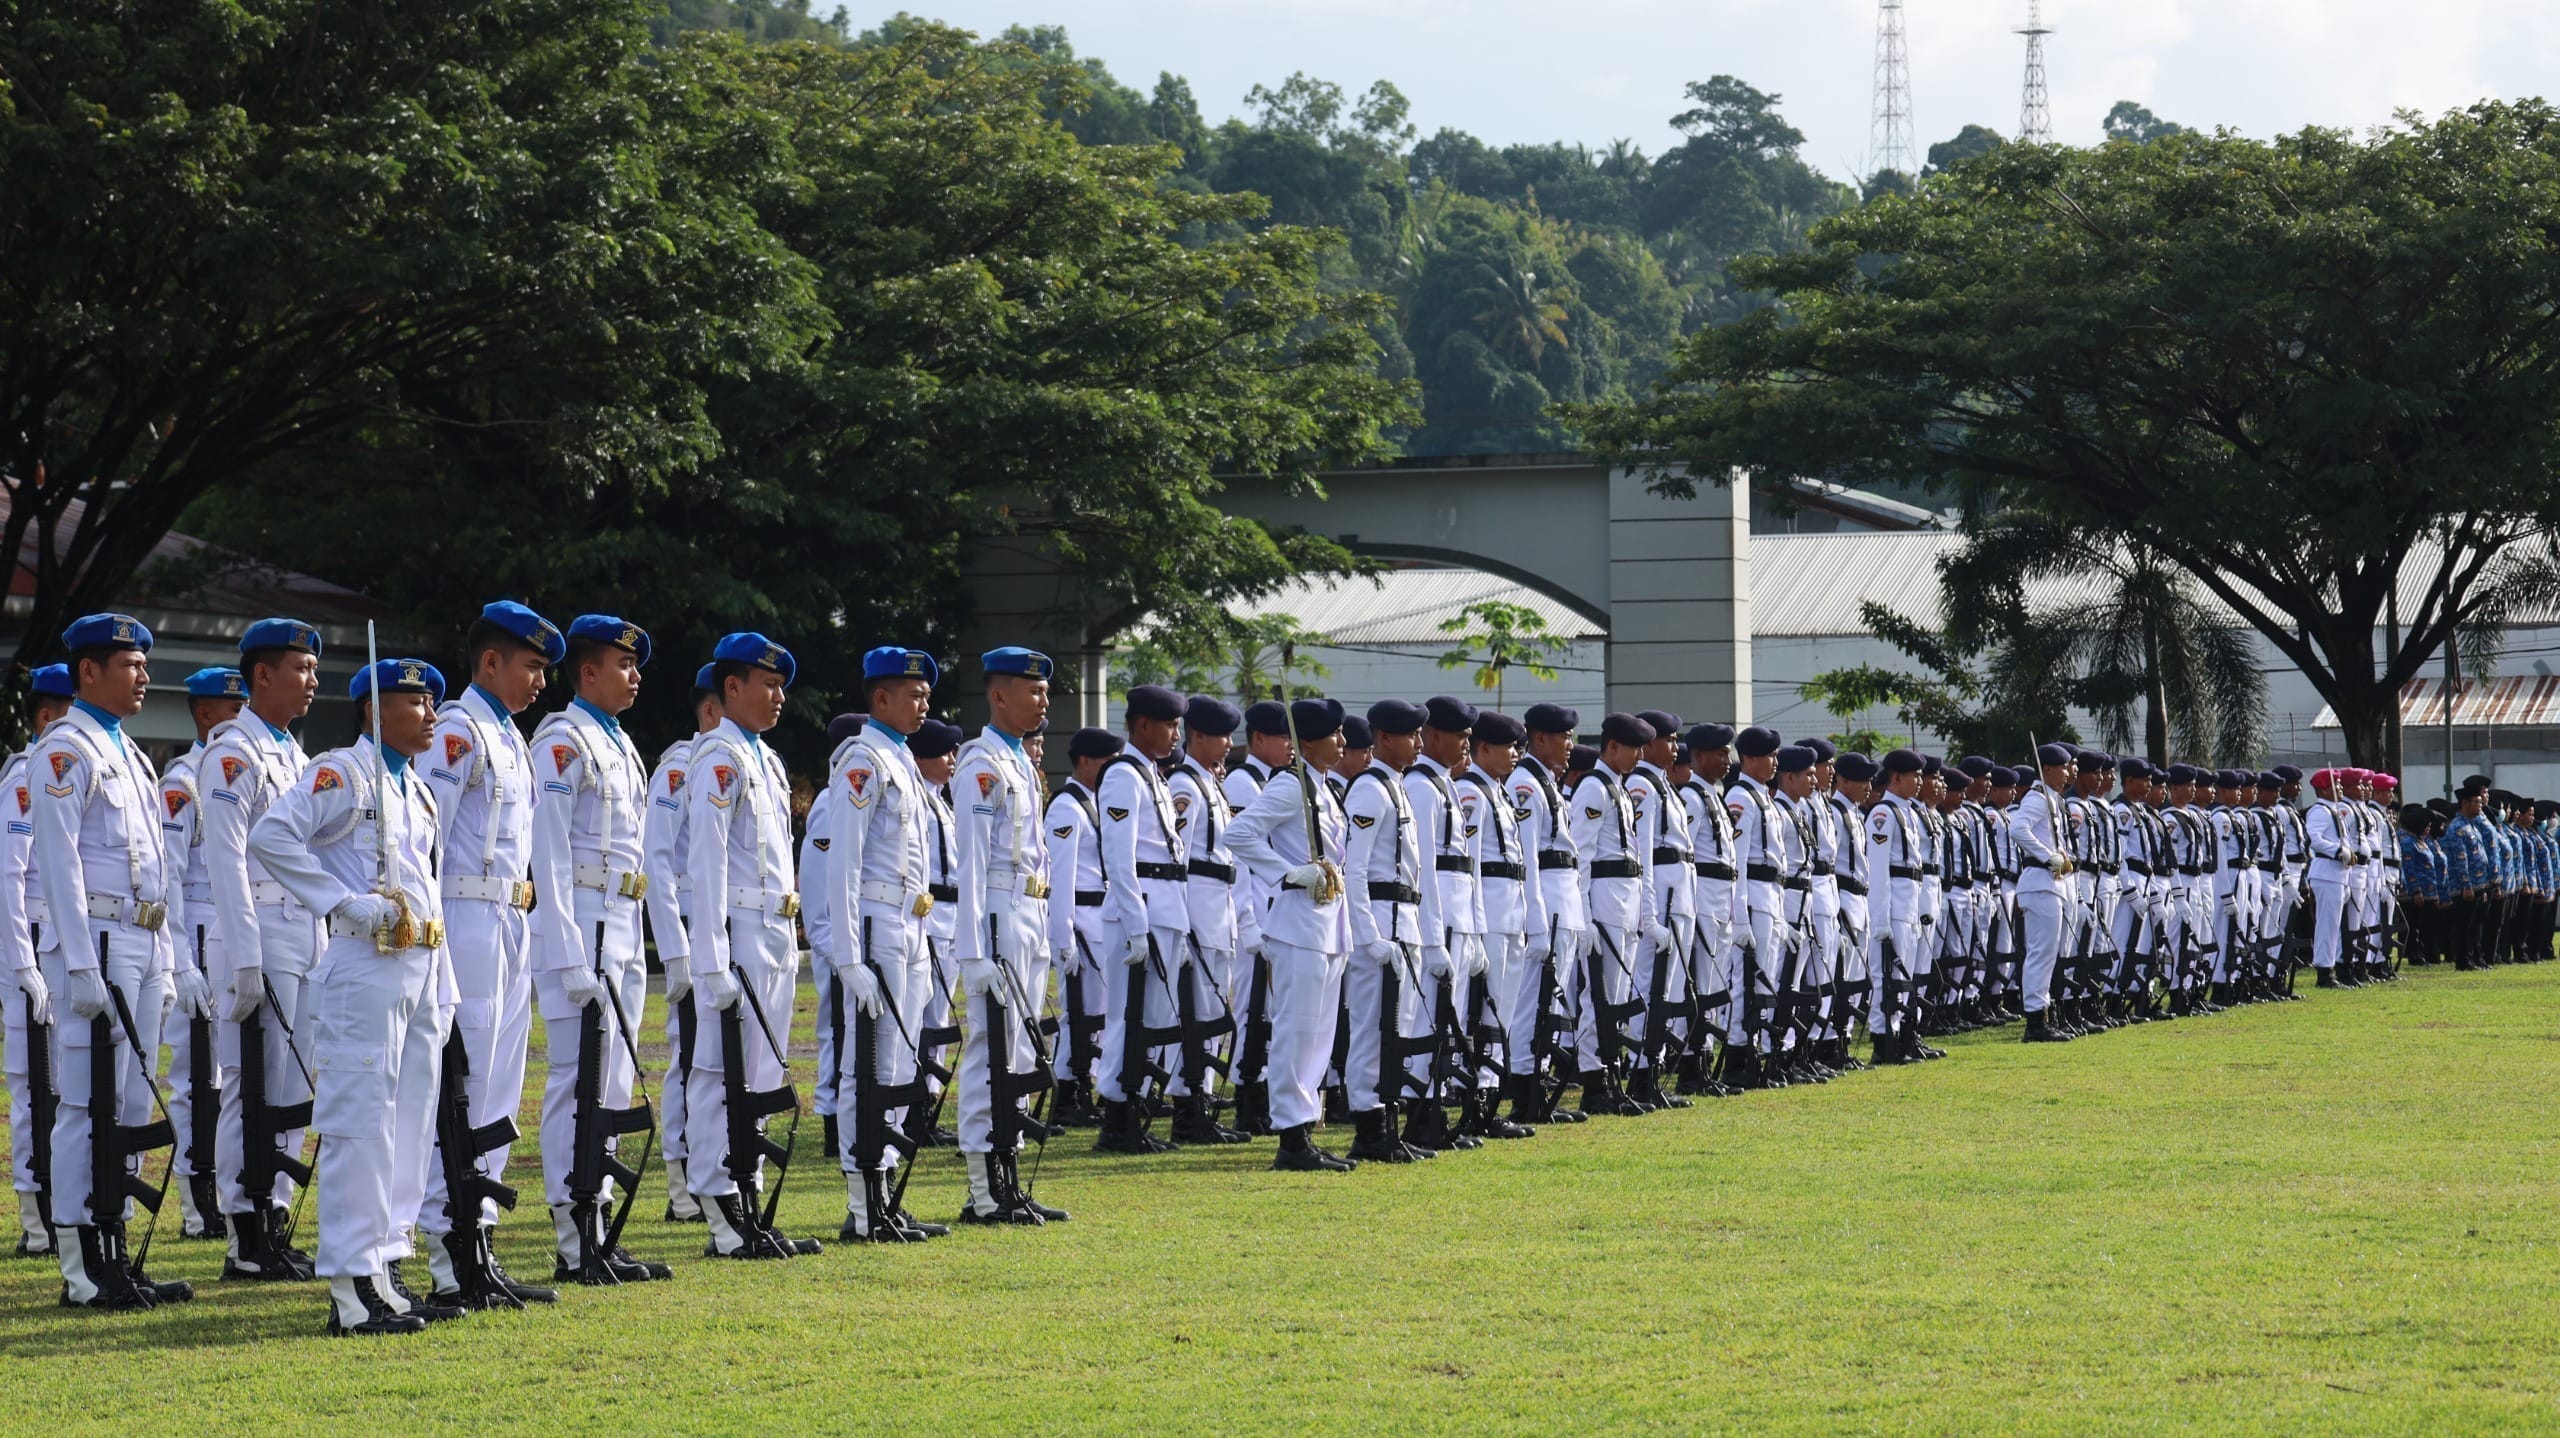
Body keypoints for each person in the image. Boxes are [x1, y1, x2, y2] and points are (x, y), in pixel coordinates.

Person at [250, 657, 453, 1335]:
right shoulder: (343, 772)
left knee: (405, 1127)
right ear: (374, 709)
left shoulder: (417, 790)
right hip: (364, 965)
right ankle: (348, 1282)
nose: (430, 714)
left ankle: (384, 1265)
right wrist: (340, 902)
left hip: (417, 967)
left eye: (432, 703)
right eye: (417, 701)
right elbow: (272, 836)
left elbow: (430, 889)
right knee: (358, 1125)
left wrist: (444, 986)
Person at [31, 613, 192, 1311]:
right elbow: (59, 867)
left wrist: (176, 951)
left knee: (129, 1102)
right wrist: (75, 963)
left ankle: (117, 1248)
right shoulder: (65, 750)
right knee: (82, 1102)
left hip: (144, 939)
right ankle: (80, 1264)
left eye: (144, 664)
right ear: (88, 673)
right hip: (96, 939)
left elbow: (163, 865)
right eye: (130, 665)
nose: (143, 676)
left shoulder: (131, 753)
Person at [418, 601, 561, 1276]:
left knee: (500, 1087)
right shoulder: (457, 732)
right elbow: (425, 843)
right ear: (491, 661)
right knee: (460, 1084)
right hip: (465, 921)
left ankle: (480, 1236)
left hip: (510, 921)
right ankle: (448, 1252)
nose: (540, 682)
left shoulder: (508, 737)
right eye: (532, 666)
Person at [527, 615, 670, 1286]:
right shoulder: (562, 740)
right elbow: (548, 853)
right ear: (588, 672)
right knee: (574, 1078)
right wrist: (565, 950)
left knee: (612, 1079)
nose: (635, 675)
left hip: (622, 919)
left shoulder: (617, 742)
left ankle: (600, 1220)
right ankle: (569, 1227)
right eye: (623, 663)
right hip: (583, 920)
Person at [194, 619, 327, 1283]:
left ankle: (273, 1220)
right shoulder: (232, 753)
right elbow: (226, 862)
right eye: (300, 668)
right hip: (258, 938)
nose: (311, 681)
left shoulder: (294, 756)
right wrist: (246, 955)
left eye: (313, 669)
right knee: (251, 1085)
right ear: (263, 675)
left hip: (300, 937)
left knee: (293, 1087)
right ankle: (243, 1232)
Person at [686, 632, 821, 1259]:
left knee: (762, 1074)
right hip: (737, 932)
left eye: (781, 686)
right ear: (731, 689)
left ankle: (751, 1196)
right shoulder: (717, 755)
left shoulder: (763, 759)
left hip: (772, 932)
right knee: (720, 1071)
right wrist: (710, 958)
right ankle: (720, 1209)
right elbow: (707, 863)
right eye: (766, 684)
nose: (778, 697)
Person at [828, 646, 948, 1243]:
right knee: (866, 1068)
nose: (924, 703)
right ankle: (861, 1199)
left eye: (926, 694)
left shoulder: (900, 759)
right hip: (876, 925)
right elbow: (844, 864)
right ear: (880, 698)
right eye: (913, 694)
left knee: (900, 1065)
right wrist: (848, 955)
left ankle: (886, 1189)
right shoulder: (863, 759)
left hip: (911, 926)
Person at [950, 648, 1070, 1224]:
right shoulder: (981, 765)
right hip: (996, 915)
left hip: (1027, 915)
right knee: (987, 1052)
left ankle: (1011, 1177)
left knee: (1019, 1051)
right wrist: (972, 950)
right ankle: (982, 1187)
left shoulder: (1020, 761)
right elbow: (970, 864)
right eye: (1032, 690)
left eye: (1045, 691)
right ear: (999, 696)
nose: (1043, 699)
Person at [1224, 697, 1356, 1172]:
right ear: (1308, 742)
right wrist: (1286, 873)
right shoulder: (1289, 787)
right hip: (1297, 924)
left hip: (1327, 923)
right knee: (1295, 1031)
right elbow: (1238, 835)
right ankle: (1291, 1136)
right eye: (1333, 735)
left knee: (1319, 1033)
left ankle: (1304, 1125)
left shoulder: (1323, 788)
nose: (1341, 742)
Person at [159, 667, 243, 1240]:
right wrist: (180, 962)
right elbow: (167, 877)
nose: (242, 720)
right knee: (195, 1078)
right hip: (193, 932)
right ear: (206, 715)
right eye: (232, 710)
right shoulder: (184, 781)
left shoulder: (242, 771)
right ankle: (197, 1201)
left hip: (234, 933)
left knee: (232, 1073)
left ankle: (231, 1190)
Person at [1092, 685, 1192, 1155]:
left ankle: (1135, 1107)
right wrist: (1135, 923)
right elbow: (1119, 855)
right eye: (1169, 725)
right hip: (1142, 909)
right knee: (1126, 1018)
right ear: (1142, 725)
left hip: (1165, 907)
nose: (1176, 734)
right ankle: (1117, 1118)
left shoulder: (1153, 774)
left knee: (1152, 1019)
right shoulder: (1123, 776)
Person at [1340, 699, 1433, 1162]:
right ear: (1383, 738)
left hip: (1404, 920)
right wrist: (1367, 934)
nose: (1418, 743)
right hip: (1380, 922)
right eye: (1410, 734)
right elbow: (1353, 870)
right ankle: (1367, 1125)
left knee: (1398, 1029)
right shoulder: (1369, 791)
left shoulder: (1395, 788)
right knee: (1371, 1030)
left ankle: (1388, 1122)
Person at [644, 665, 720, 1222]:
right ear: (713, 710)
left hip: (724, 927)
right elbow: (659, 861)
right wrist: (675, 948)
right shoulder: (680, 767)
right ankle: (680, 1182)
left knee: (719, 1059)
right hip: (693, 925)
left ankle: (714, 1167)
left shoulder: (744, 765)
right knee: (691, 1056)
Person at [4, 664, 74, 1258]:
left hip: (56, 941)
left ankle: (58, 1203)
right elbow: (10, 876)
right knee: (33, 1083)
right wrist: (21, 963)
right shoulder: (26, 780)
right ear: (50, 717)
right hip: (29, 943)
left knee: (61, 1081)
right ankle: (35, 1219)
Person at [1163, 695, 1248, 1146]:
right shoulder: (1186, 788)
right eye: (1223, 736)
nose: (1230, 744)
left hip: (1220, 911)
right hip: (1199, 910)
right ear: (1198, 736)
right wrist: (1184, 921)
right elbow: (1180, 859)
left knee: (1213, 1012)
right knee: (1194, 1013)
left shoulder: (1211, 784)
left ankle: (1204, 1103)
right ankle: (1187, 1108)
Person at [1402, 695, 1484, 1153]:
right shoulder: (1422, 786)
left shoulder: (1444, 785)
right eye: (1460, 736)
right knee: (1426, 1022)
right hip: (1439, 921)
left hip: (1458, 919)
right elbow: (1426, 871)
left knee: (1445, 1022)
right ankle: (1418, 1116)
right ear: (1435, 737)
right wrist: (1433, 938)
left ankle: (1432, 1111)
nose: (1466, 743)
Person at [1503, 704, 1587, 1124]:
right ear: (1539, 739)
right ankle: (1524, 1093)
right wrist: (1535, 922)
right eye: (1563, 737)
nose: (1569, 745)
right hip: (1546, 907)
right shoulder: (1525, 785)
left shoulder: (1547, 783)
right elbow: (1529, 862)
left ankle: (1540, 1090)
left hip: (1564, 903)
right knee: (1530, 1005)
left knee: (1551, 1005)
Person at [1455, 710, 1535, 1140]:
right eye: (1509, 747)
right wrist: (1477, 925)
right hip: (1487, 917)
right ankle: (1470, 1100)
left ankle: (1489, 1100)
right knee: (1480, 1015)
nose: (1516, 754)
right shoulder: (1470, 792)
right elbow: (1469, 867)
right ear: (1482, 749)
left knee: (1499, 1015)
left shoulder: (1498, 793)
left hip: (1510, 916)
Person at [1574, 713, 1656, 1110]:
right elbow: (1583, 854)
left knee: (1619, 997)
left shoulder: (1618, 788)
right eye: (1634, 747)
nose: (1640, 755)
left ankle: (1611, 1071)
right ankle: (1594, 1081)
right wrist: (1585, 913)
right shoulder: (1594, 787)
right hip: (1604, 901)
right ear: (1612, 747)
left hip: (1624, 902)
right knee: (1600, 998)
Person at [1044, 727, 1121, 1128]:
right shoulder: (1067, 808)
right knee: (1080, 1013)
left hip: (1099, 919)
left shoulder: (1093, 802)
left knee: (1099, 1013)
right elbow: (1061, 877)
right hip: (1081, 921)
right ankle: (1068, 1094)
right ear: (1086, 761)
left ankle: (1085, 1087)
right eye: (1108, 761)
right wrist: (1063, 935)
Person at [2010, 743, 2076, 1042]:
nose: (2067, 774)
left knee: (2048, 954)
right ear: (2046, 769)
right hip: (2038, 883)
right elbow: (2018, 829)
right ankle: (2035, 1022)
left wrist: (2059, 854)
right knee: (2040, 954)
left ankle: (2044, 1015)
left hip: (2050, 884)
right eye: (2062, 768)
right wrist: (2048, 854)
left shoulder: (2052, 799)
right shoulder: (2037, 799)